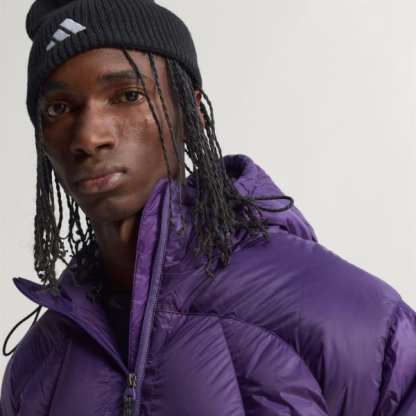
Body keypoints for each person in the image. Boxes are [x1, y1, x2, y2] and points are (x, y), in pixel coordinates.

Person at [1, 0, 415, 414]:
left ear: (192, 112)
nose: (89, 138)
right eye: (59, 109)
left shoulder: (343, 316)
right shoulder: (36, 367)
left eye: (128, 95)